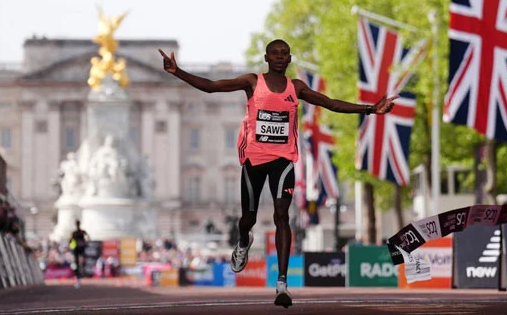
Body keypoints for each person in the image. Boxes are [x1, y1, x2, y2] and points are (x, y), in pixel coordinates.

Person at [158, 40, 397, 307]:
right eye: (275, 53)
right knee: (247, 219)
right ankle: (243, 241)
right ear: (267, 58)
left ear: (290, 59)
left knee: (281, 215)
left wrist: (370, 109)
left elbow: (330, 103)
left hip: (283, 160)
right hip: (254, 160)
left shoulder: (297, 88)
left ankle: (282, 283)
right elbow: (212, 87)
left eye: (284, 54)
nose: (280, 57)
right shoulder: (252, 82)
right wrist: (177, 72)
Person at [70, 220, 89, 288]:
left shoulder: (81, 232)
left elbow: (87, 237)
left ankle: (81, 272)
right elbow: (71, 241)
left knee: (81, 261)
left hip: (81, 249)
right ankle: (78, 276)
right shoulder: (75, 233)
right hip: (77, 249)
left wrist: (85, 242)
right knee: (77, 263)